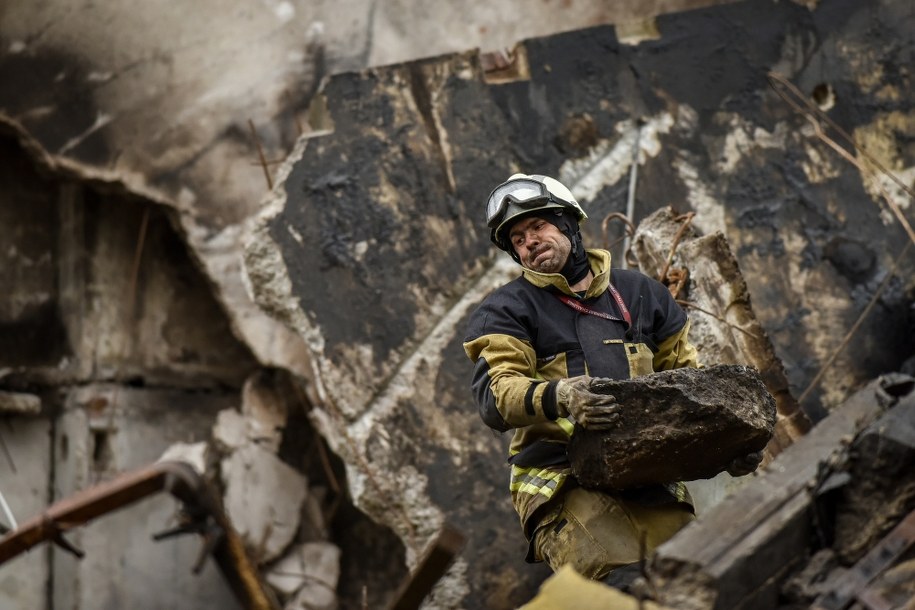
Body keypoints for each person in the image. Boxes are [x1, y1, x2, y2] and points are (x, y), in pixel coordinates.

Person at [463, 173, 761, 585]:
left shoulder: (642, 294)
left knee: (704, 582)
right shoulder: (506, 311)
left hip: (650, 479)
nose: (528, 241)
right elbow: (496, 398)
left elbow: (692, 391)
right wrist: (563, 395)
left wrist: (726, 448)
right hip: (564, 487)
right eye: (517, 239)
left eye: (537, 226)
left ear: (569, 223)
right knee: (628, 588)